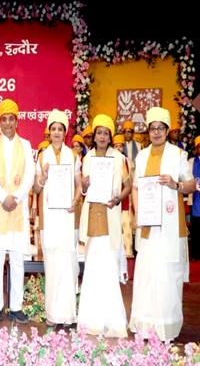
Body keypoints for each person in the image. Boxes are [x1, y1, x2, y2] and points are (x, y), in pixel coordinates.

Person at [129, 107, 194, 342]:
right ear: (148, 131)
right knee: (147, 273)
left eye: (160, 128)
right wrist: (138, 212)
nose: (156, 132)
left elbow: (192, 185)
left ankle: (166, 326)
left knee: (167, 273)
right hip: (148, 226)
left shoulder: (178, 155)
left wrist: (176, 185)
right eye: (152, 128)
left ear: (167, 131)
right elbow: (135, 187)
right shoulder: (142, 156)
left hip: (169, 225)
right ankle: (145, 324)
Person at [77, 114, 130, 337]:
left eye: (105, 133)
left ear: (110, 137)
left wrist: (118, 198)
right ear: (94, 136)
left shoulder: (119, 158)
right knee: (92, 268)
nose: (101, 137)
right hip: (92, 217)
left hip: (110, 216)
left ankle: (112, 321)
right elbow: (84, 189)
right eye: (98, 133)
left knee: (108, 268)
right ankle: (91, 321)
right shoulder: (87, 158)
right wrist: (84, 185)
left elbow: (128, 185)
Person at [0, 99, 34, 324]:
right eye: (3, 119)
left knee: (17, 259)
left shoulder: (26, 145)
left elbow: (30, 175)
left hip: (18, 209)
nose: (7, 123)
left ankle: (16, 307)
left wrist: (17, 196)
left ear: (16, 121)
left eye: (11, 119)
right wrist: (4, 197)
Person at [33, 109, 82, 328]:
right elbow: (36, 188)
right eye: (53, 129)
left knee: (68, 264)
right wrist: (43, 177)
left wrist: (76, 199)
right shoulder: (42, 156)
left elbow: (79, 184)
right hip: (50, 218)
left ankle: (68, 315)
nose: (56, 133)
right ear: (48, 132)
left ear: (65, 132)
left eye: (60, 129)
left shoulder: (74, 156)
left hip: (67, 217)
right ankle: (53, 314)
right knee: (52, 264)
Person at [113, 134, 135, 257]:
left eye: (120, 146)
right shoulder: (109, 159)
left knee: (126, 225)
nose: (118, 148)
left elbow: (132, 180)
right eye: (116, 146)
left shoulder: (128, 161)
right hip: (113, 198)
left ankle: (128, 252)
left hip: (126, 197)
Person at [188, 136, 200, 261]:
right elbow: (187, 178)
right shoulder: (191, 162)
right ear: (196, 148)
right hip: (195, 198)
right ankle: (196, 253)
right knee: (196, 228)